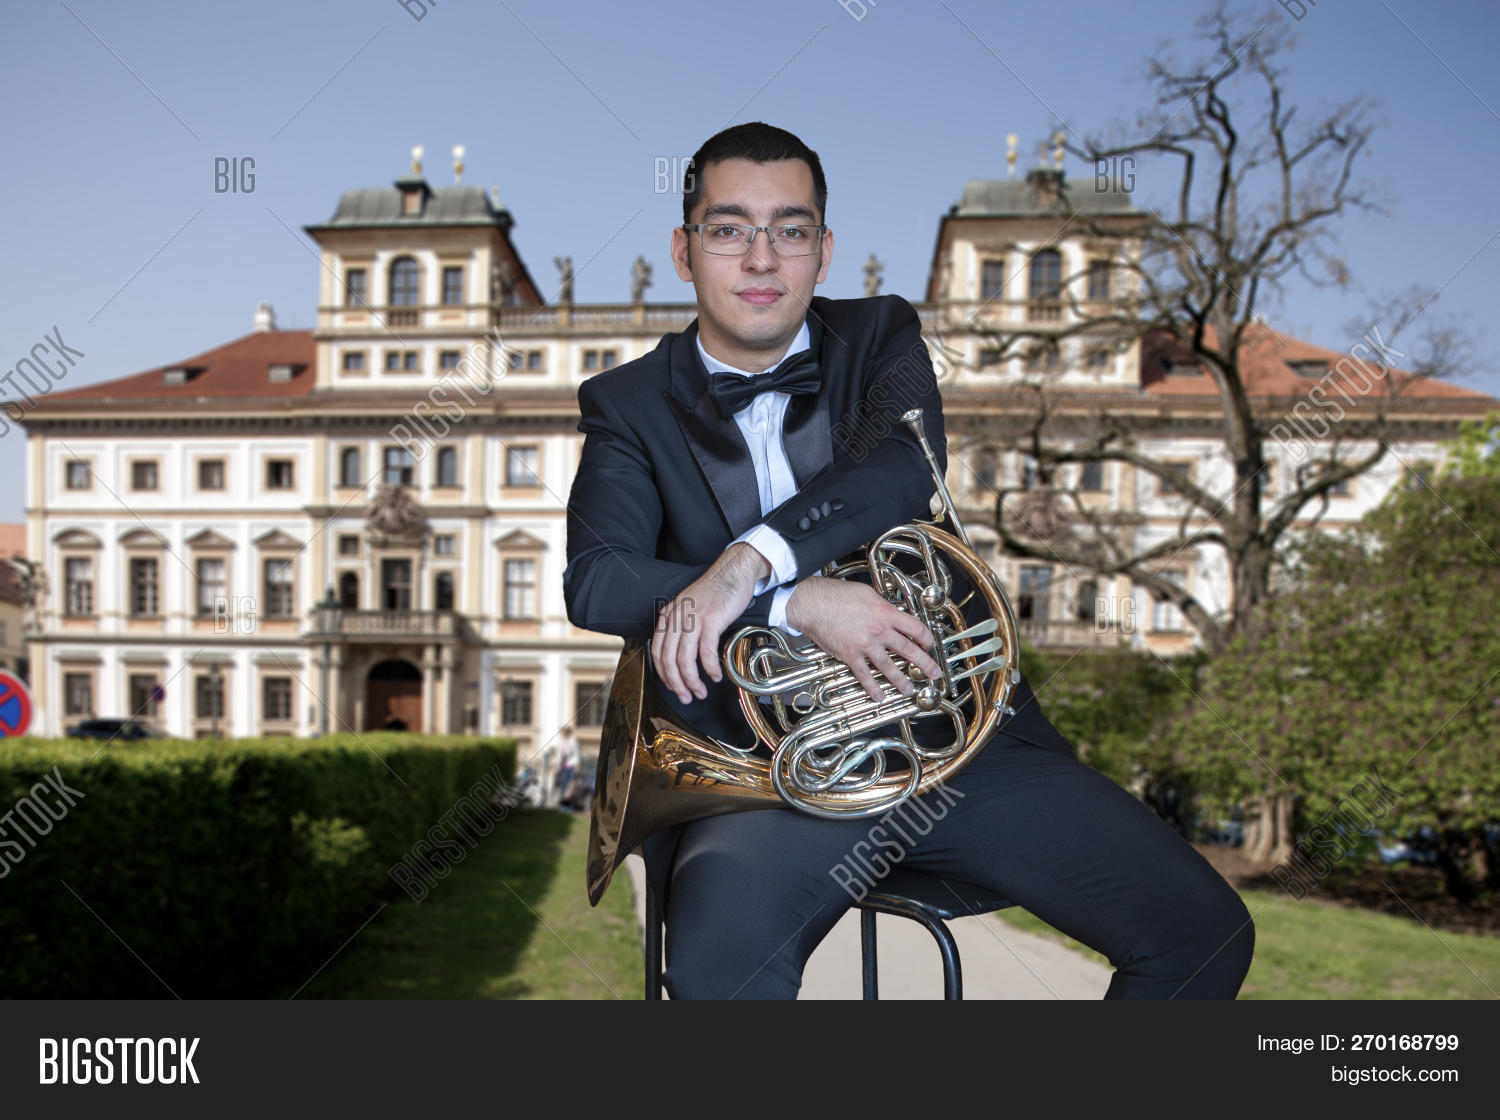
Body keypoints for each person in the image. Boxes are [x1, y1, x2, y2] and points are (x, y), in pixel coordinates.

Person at [563, 122, 1254, 999]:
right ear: (684, 249)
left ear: (824, 250)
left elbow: (897, 472)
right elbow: (598, 578)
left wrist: (746, 565)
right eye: (730, 228)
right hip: (771, 783)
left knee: (1203, 934)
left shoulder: (881, 335)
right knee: (719, 972)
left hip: (960, 744)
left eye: (793, 228)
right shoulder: (626, 403)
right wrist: (796, 604)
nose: (762, 257)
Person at [555, 726, 581, 809]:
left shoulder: (573, 742)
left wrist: (577, 766)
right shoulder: (562, 742)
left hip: (571, 766)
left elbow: (577, 754)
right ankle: (564, 806)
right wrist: (556, 766)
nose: (561, 734)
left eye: (562, 733)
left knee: (571, 787)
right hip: (563, 767)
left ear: (566, 733)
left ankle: (571, 806)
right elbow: (559, 755)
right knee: (563, 785)